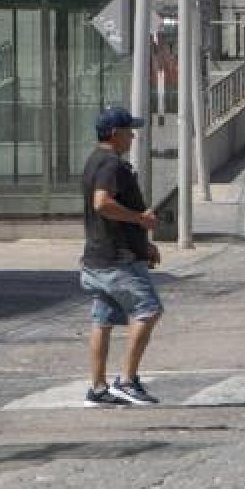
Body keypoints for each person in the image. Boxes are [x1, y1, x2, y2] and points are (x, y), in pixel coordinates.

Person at [80, 107, 163, 407]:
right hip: (116, 260)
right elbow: (102, 204)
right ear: (115, 134)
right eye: (129, 131)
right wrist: (140, 219)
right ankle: (127, 381)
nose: (132, 136)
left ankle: (98, 388)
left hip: (98, 257)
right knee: (149, 310)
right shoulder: (112, 165)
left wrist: (145, 246)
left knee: (102, 320)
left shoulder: (94, 160)